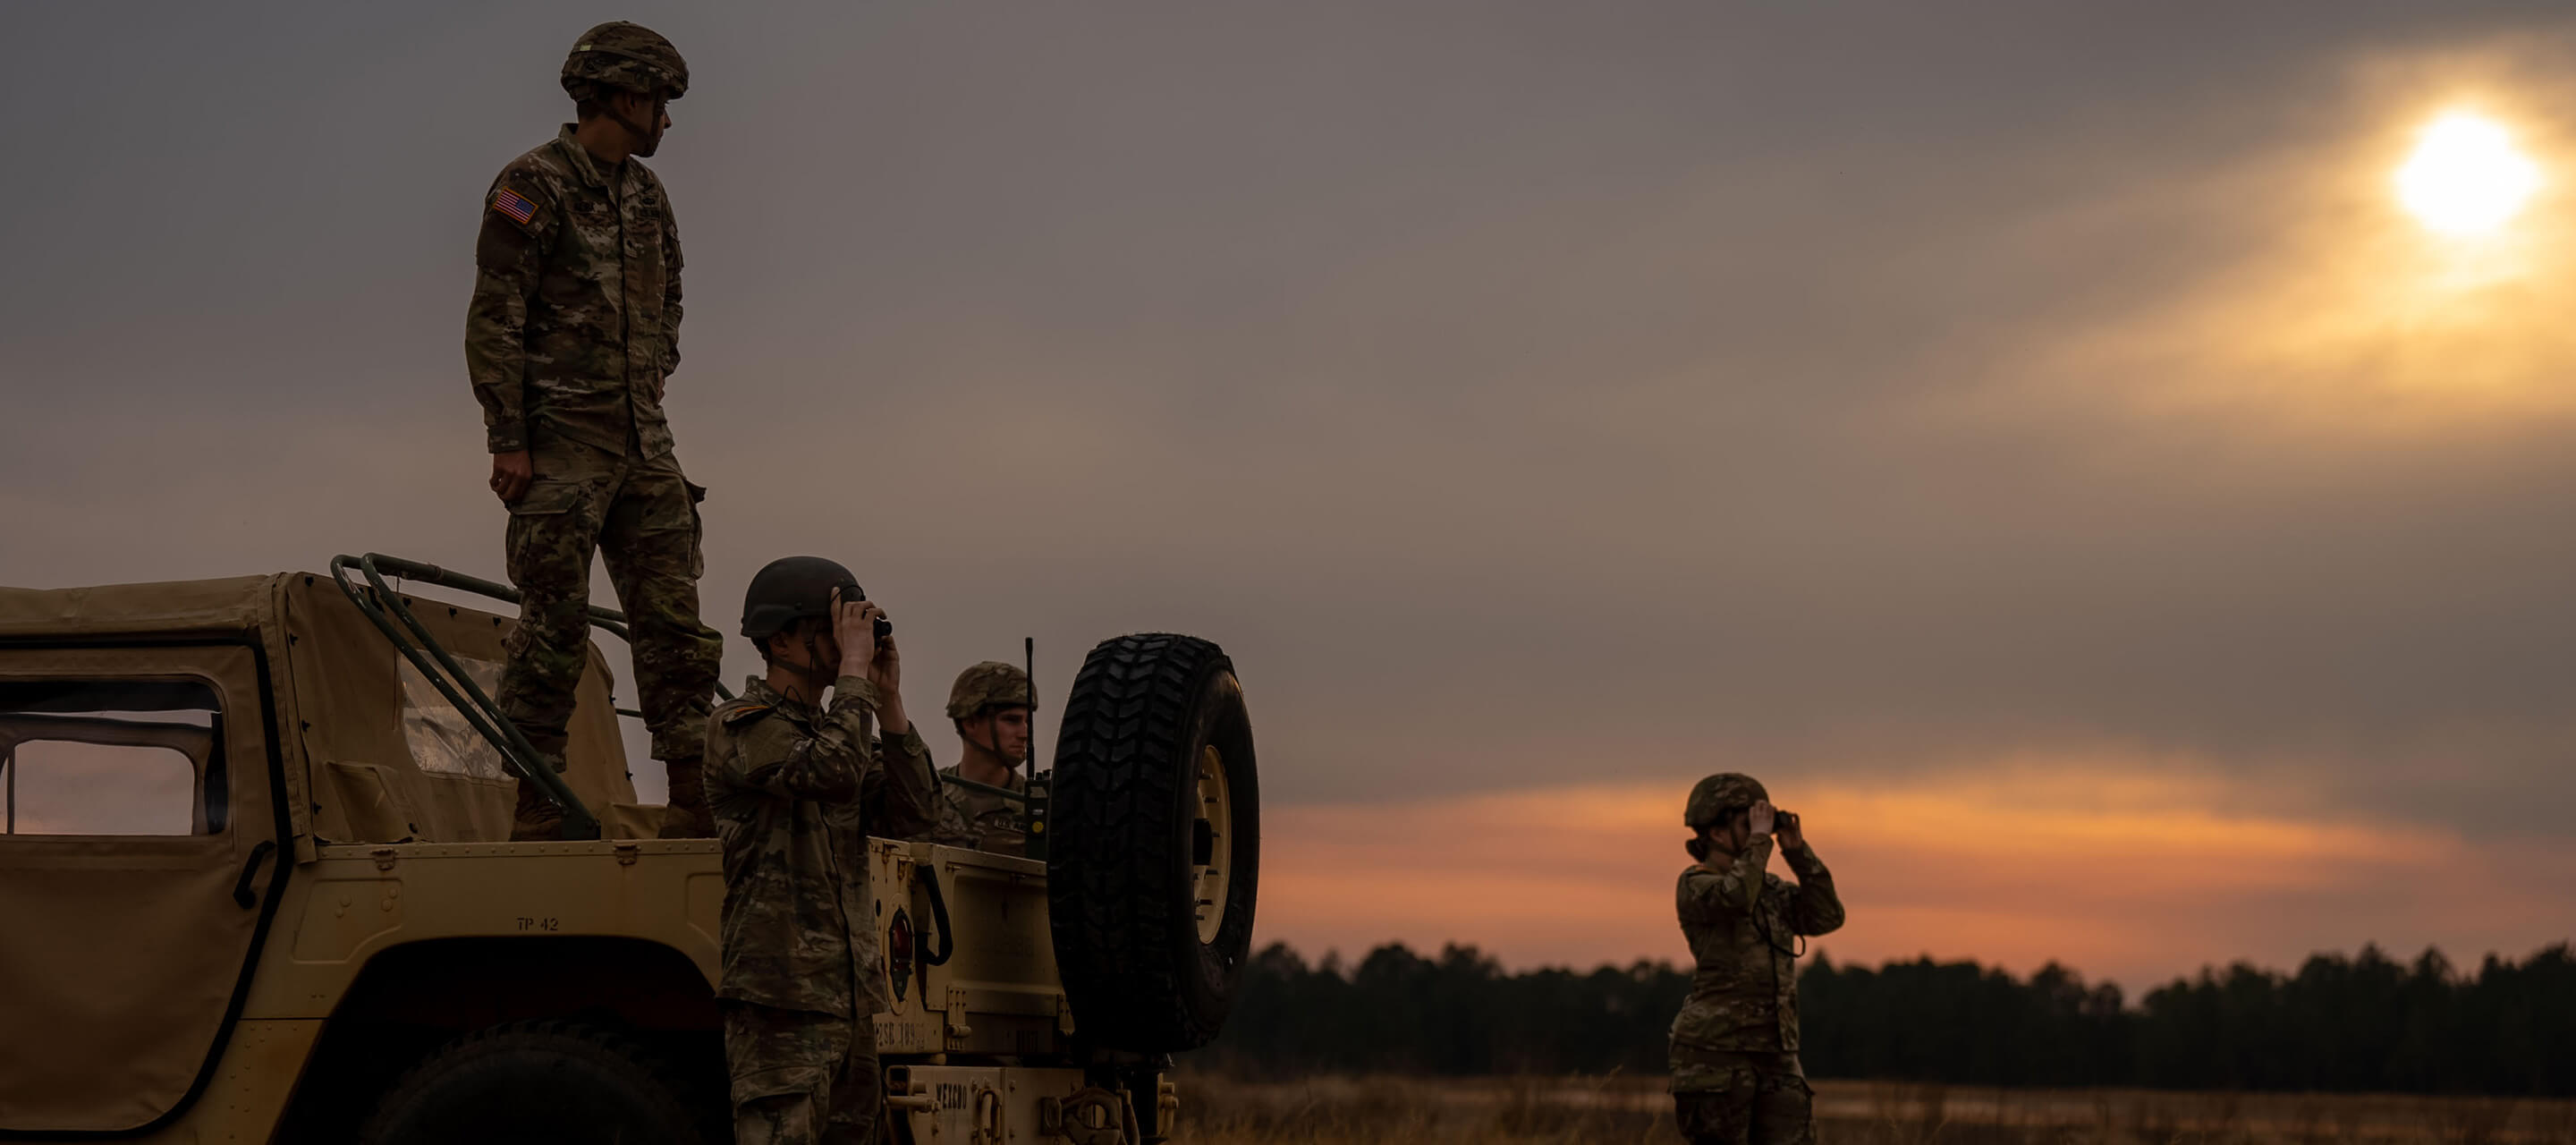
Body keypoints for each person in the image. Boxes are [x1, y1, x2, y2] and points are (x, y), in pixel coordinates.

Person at [466, 21, 723, 840]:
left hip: (645, 444)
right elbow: (496, 315)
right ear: (622, 95)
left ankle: (693, 798)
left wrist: (653, 368)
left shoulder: (648, 196)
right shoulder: (532, 184)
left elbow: (671, 295)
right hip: (559, 446)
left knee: (676, 626)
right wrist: (509, 436)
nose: (667, 121)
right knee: (553, 627)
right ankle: (538, 804)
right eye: (660, 102)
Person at [705, 556, 944, 1145]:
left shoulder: (840, 731)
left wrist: (888, 702)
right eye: (830, 630)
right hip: (781, 997)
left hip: (850, 999)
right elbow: (831, 772)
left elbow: (918, 814)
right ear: (780, 639)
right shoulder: (741, 725)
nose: (846, 644)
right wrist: (856, 676)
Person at [1668, 773, 1844, 1145]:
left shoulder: (1771, 892)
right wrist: (1762, 841)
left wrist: (1797, 852)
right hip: (1717, 1055)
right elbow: (1736, 897)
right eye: (1748, 824)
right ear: (1717, 833)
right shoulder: (1697, 884)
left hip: (1777, 1055)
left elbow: (1827, 916)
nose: (1758, 833)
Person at [932, 661, 1035, 855]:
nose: (1024, 734)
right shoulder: (928, 796)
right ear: (970, 723)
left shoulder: (1038, 810)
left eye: (1028, 722)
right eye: (1011, 720)